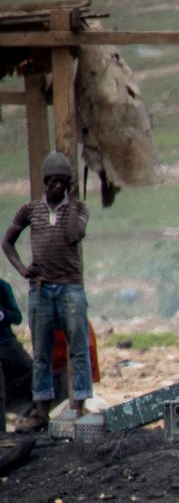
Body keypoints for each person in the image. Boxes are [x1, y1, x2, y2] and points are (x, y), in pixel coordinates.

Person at [6, 150, 91, 429]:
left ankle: (78, 404)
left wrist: (74, 200)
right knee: (41, 352)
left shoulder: (78, 210)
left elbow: (73, 235)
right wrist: (21, 269)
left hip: (70, 288)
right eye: (53, 180)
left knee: (77, 348)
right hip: (41, 289)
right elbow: (7, 242)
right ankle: (41, 411)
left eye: (63, 182)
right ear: (45, 181)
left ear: (68, 184)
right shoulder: (30, 210)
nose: (58, 186)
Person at [0, 276, 31, 432]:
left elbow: (17, 317)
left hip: (5, 342)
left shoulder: (2, 286)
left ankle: (28, 414)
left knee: (31, 370)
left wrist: (3, 314)